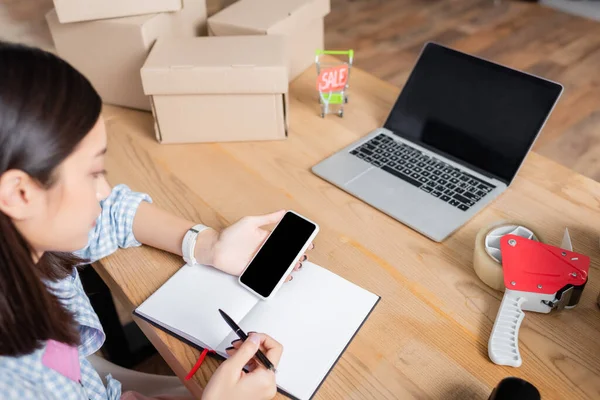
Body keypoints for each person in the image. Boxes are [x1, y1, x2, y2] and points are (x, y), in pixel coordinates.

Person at [0, 42, 311, 399]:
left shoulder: (25, 244)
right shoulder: (15, 382)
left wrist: (206, 244)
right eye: (94, 173)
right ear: (19, 194)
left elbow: (115, 213)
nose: (105, 191)